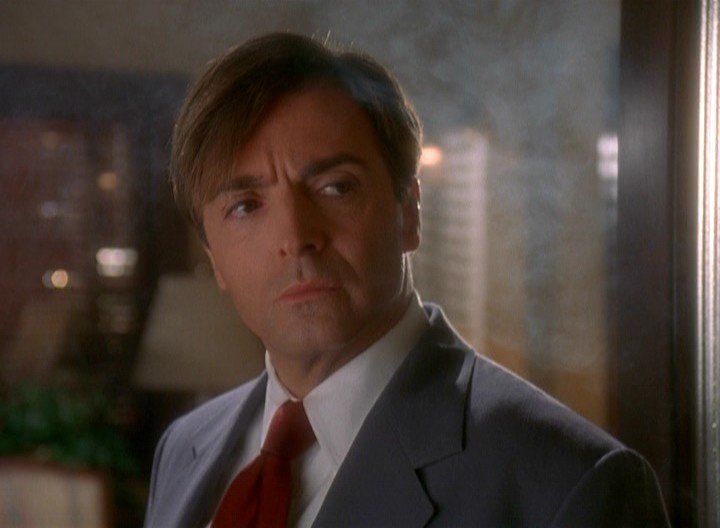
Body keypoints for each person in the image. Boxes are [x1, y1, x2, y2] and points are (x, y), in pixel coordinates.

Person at [144, 32, 669, 528]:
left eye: (335, 187)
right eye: (245, 206)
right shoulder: (185, 449)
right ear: (213, 258)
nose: (296, 237)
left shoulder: (569, 486)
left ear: (410, 213)